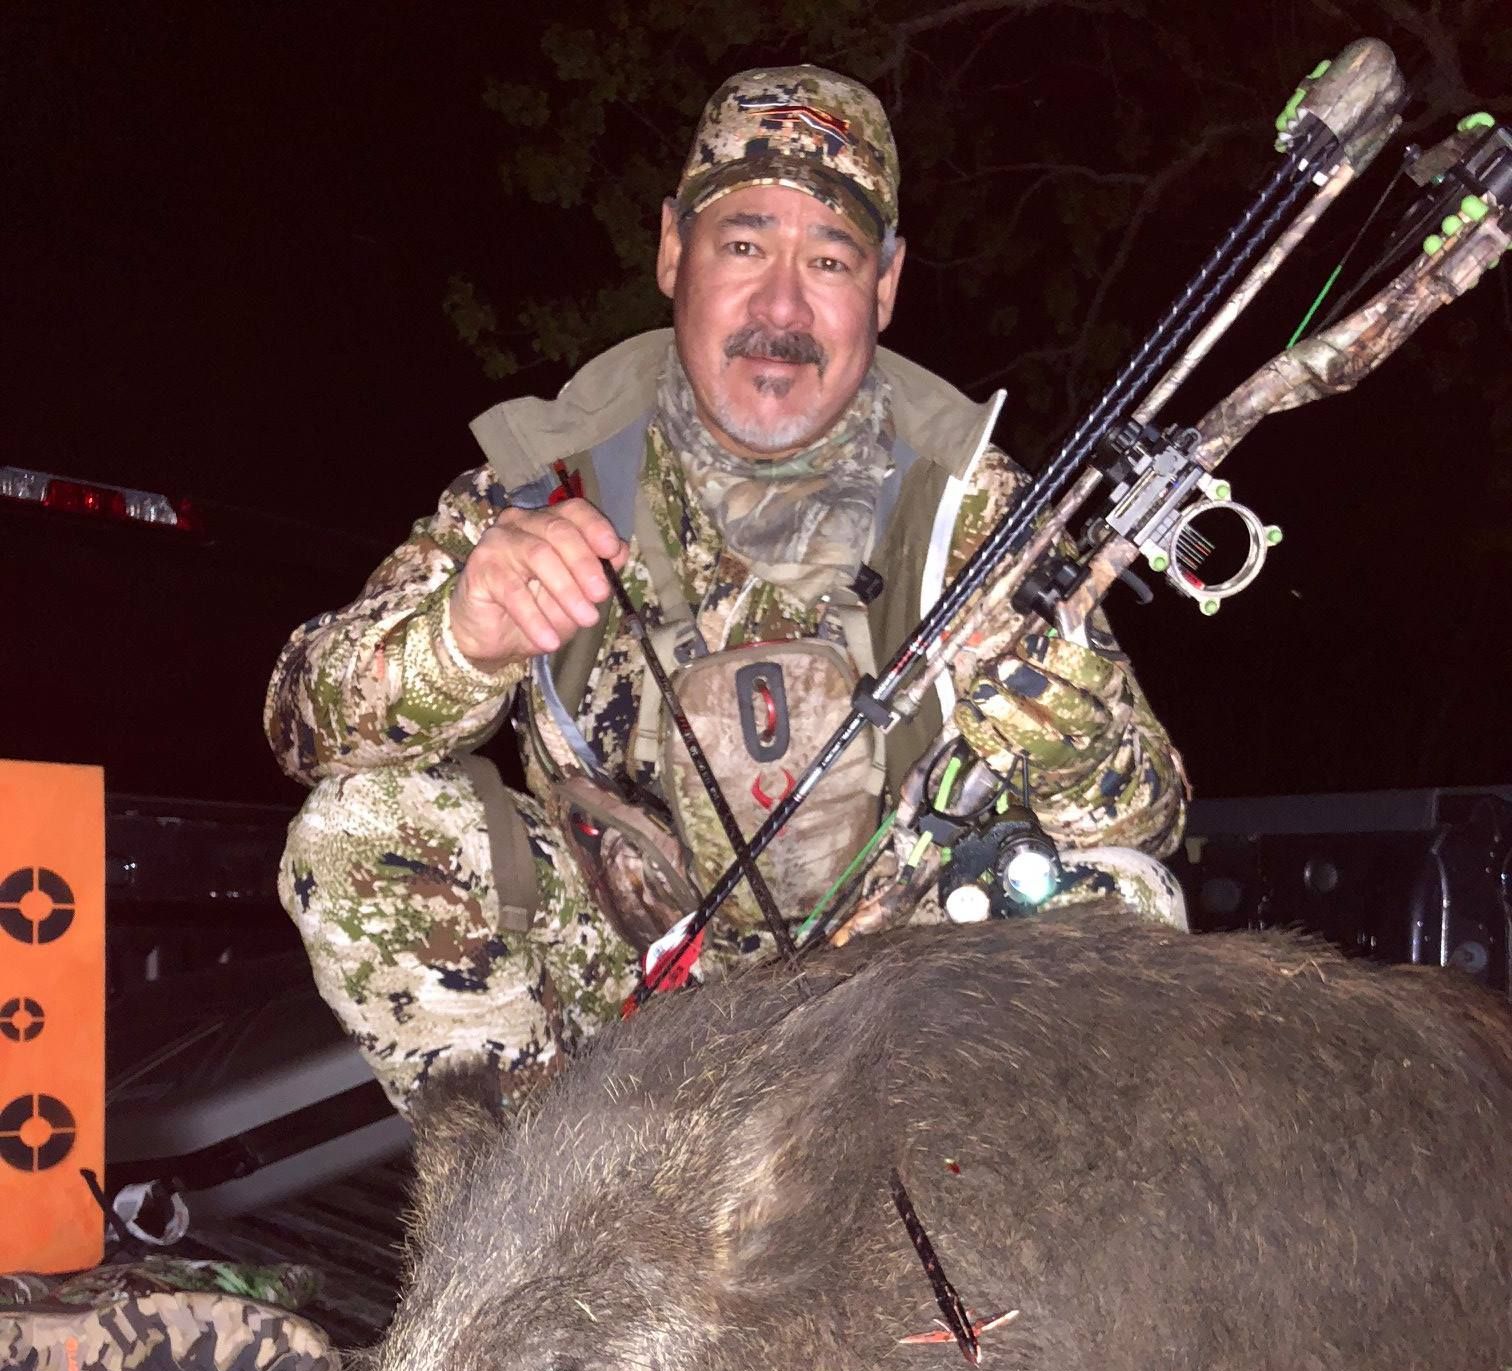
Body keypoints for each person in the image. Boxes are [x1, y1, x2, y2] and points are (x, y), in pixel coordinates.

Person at [266, 66, 1189, 1112]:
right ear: (672, 251)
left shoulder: (978, 511)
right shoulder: (545, 478)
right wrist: (459, 640)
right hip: (620, 1000)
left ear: (884, 287)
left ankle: (961, 1257)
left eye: (830, 260)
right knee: (364, 826)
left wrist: (1060, 727)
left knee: (1120, 905)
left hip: (893, 1025)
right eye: (744, 244)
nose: (781, 308)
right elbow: (304, 726)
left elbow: (1145, 818)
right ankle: (535, 1221)